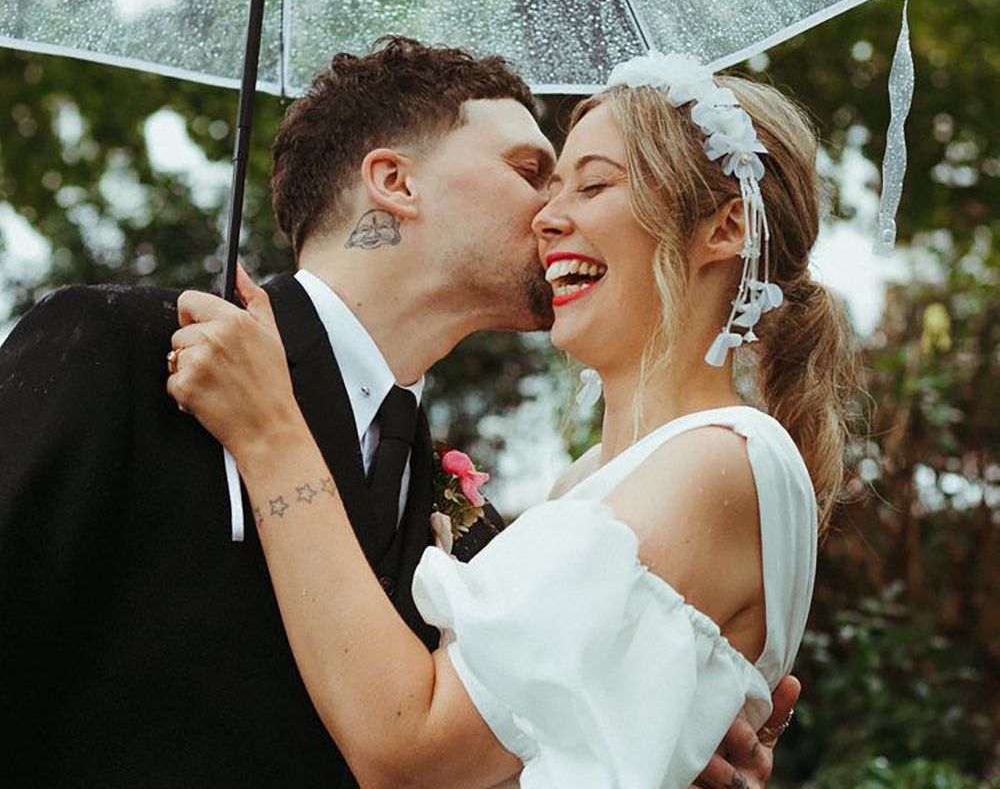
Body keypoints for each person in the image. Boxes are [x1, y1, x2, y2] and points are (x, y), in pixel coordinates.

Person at [0, 39, 785, 788]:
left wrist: (635, 740)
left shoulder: (480, 536)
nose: (554, 211)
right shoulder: (127, 354)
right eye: (530, 171)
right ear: (395, 184)